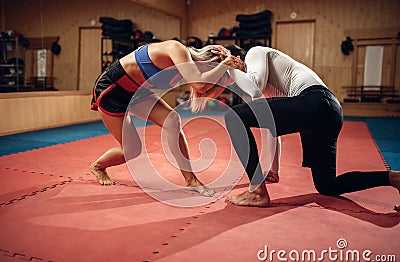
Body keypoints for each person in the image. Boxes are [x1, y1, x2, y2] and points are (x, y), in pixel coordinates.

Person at [191, 45, 400, 207]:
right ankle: (393, 178)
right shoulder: (261, 83)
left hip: (317, 101)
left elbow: (254, 86)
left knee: (234, 116)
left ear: (233, 58)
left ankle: (256, 192)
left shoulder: (255, 53)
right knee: (327, 186)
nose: (228, 82)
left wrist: (227, 66)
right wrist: (274, 169)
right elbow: (270, 125)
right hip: (328, 112)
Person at [90, 39, 240, 197]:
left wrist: (228, 76)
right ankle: (98, 166)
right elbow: (201, 86)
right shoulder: (176, 48)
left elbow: (206, 94)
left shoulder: (191, 70)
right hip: (112, 90)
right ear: (206, 62)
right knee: (131, 150)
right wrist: (224, 66)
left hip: (137, 93)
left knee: (172, 120)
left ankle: (191, 180)